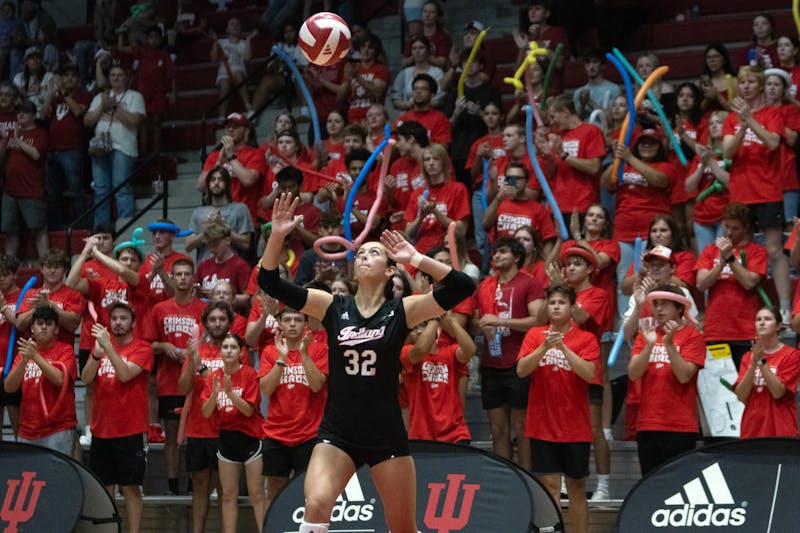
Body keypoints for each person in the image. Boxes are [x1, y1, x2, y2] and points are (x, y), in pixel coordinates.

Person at [257, 192, 475, 533]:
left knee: (403, 527)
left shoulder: (402, 310)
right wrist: (276, 236)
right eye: (360, 253)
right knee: (314, 504)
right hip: (338, 430)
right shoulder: (330, 306)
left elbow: (463, 286)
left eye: (374, 252)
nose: (364, 256)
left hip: (385, 433)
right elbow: (268, 282)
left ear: (390, 270)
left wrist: (415, 257)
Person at [517, 285, 598, 533]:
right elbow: (521, 370)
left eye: (561, 302)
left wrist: (562, 347)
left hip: (575, 426)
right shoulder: (534, 334)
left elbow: (589, 372)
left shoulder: (586, 338)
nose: (555, 306)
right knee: (550, 486)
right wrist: (544, 346)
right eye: (551, 302)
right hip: (542, 424)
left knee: (576, 487)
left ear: (572, 308)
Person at [722, 65, 789, 323]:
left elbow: (773, 142)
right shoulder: (731, 118)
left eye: (751, 82)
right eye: (742, 82)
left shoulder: (773, 113)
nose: (746, 86)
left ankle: (783, 305)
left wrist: (750, 120)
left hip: (768, 190)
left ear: (760, 85)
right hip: (740, 192)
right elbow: (727, 152)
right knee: (742, 250)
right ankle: (748, 307)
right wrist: (741, 124)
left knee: (774, 250)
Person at [81, 300, 152, 533]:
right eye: (114, 319)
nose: (118, 323)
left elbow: (124, 374)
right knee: (105, 487)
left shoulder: (143, 348)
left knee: (131, 488)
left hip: (130, 429)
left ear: (133, 322)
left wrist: (107, 348)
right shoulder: (101, 348)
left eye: (123, 318)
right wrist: (96, 353)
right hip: (102, 428)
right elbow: (86, 378)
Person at [474, 236, 545, 471]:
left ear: (516, 256)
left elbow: (538, 320)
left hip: (519, 362)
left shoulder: (530, 282)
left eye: (503, 252)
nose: (496, 256)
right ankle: (506, 479)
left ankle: (527, 478)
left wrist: (502, 320)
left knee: (521, 427)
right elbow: (475, 320)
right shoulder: (485, 285)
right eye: (494, 252)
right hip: (491, 362)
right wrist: (481, 326)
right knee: (497, 429)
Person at [144, 258, 207, 495]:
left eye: (186, 274)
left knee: (195, 434)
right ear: (171, 276)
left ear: (193, 278)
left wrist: (195, 352)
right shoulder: (160, 309)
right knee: (171, 435)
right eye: (178, 274)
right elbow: (147, 345)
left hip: (197, 382)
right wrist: (164, 346)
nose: (182, 278)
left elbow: (212, 341)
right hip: (168, 382)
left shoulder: (203, 309)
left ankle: (195, 483)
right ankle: (172, 485)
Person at [628, 285, 705, 476]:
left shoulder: (693, 336)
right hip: (648, 423)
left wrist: (669, 344)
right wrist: (650, 345)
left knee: (678, 486)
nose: (658, 309)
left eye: (664, 304)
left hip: (681, 425)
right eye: (656, 304)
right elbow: (633, 373)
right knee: (649, 484)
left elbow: (684, 375)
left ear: (679, 308)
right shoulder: (646, 335)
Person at [259, 308, 328, 508]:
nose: (292, 324)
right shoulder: (270, 352)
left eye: (297, 319)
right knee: (274, 491)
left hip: (309, 434)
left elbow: (316, 385)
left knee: (309, 492)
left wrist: (304, 354)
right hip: (276, 434)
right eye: (287, 319)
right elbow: (266, 389)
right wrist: (282, 358)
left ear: (306, 324)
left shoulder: (319, 349)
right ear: (279, 324)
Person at [201, 332, 265, 533]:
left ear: (241, 353)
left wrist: (230, 394)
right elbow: (206, 411)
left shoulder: (249, 374)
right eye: (225, 347)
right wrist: (214, 394)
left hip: (251, 438)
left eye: (233, 347)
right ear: (220, 352)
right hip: (227, 439)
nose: (228, 351)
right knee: (228, 495)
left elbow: (248, 410)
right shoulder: (213, 376)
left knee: (256, 494)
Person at [696, 202, 768, 370]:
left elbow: (749, 282)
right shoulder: (709, 251)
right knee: (719, 386)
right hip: (716, 331)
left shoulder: (757, 252)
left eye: (735, 228)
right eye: (726, 226)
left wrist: (730, 259)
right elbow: (701, 284)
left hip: (746, 332)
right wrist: (721, 263)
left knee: (745, 385)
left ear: (746, 228)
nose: (728, 232)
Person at [178, 301, 230, 533]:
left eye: (222, 319)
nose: (217, 323)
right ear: (205, 323)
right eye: (213, 319)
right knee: (199, 488)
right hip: (198, 428)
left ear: (229, 323)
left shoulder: (235, 351)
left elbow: (231, 389)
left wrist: (201, 368)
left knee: (225, 490)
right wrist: (192, 363)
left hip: (227, 430)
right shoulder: (196, 351)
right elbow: (183, 388)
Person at [4, 305, 77, 455]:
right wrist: (24, 361)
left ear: (56, 329)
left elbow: (60, 379)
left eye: (49, 324)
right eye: (39, 323)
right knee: (30, 477)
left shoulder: (66, 350)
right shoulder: (24, 353)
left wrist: (35, 356)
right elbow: (9, 388)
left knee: (57, 477)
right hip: (27, 430)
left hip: (58, 428)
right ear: (32, 328)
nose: (43, 327)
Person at [83, 65, 145, 225]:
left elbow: (133, 122)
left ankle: (126, 227)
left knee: (121, 189)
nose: (116, 78)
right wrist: (103, 107)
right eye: (112, 75)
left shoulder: (134, 96)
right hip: (99, 148)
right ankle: (101, 231)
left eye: (119, 75)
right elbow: (87, 121)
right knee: (100, 190)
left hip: (123, 148)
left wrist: (115, 106)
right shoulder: (100, 97)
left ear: (126, 78)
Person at [402, 311, 476, 443]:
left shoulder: (450, 352)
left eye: (422, 326)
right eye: (414, 329)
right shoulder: (406, 352)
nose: (419, 331)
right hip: (422, 435)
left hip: (455, 434)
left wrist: (451, 321)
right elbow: (420, 350)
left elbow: (470, 350)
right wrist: (434, 318)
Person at [736, 306, 800, 438]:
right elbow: (742, 396)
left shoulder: (792, 355)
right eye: (758, 319)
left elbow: (778, 392)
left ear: (778, 326)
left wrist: (761, 362)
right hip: (752, 429)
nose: (762, 322)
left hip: (781, 429)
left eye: (767, 319)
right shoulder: (747, 357)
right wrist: (753, 364)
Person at [40, 63, 91, 229]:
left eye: (72, 75)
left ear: (78, 80)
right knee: (53, 193)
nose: (69, 78)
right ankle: (56, 227)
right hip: (52, 150)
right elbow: (43, 114)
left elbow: (78, 112)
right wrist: (50, 92)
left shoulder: (84, 96)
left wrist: (64, 94)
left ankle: (81, 226)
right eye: (65, 75)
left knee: (76, 190)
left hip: (72, 150)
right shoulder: (55, 99)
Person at [544, 95, 606, 225]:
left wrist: (565, 155)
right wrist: (549, 157)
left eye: (553, 116)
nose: (551, 122)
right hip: (557, 205)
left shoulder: (591, 131)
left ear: (565, 112)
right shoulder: (557, 136)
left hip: (583, 204)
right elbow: (551, 173)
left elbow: (594, 167)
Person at [197, 113, 266, 228]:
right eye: (227, 126)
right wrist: (219, 163)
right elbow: (201, 186)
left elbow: (248, 180)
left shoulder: (256, 154)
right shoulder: (214, 156)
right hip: (217, 216)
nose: (230, 129)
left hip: (246, 218)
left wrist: (231, 156)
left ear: (246, 131)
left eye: (236, 126)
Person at [0, 98, 48, 257]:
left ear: (33, 116)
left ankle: (47, 264)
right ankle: (8, 268)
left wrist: (17, 138)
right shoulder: (13, 135)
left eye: (25, 112)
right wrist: (3, 141)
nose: (20, 115)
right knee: (10, 231)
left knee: (39, 230)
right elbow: (2, 158)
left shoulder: (40, 133)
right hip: (10, 190)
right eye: (19, 112)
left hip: (32, 190)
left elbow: (36, 154)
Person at [118, 25, 175, 154]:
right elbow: (121, 48)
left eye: (156, 37)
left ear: (161, 39)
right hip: (142, 94)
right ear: (147, 39)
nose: (153, 40)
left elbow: (171, 75)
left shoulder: (163, 55)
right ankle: (143, 152)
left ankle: (156, 152)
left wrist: (173, 93)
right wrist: (121, 32)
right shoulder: (141, 51)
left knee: (156, 123)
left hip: (158, 93)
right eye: (151, 37)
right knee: (142, 123)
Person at [404, 143, 470, 254]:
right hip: (421, 252)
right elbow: (408, 234)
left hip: (447, 251)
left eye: (435, 159)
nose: (431, 163)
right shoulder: (418, 193)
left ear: (444, 162)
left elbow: (461, 230)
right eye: (427, 160)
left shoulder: (458, 189)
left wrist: (434, 211)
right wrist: (421, 217)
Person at [16, 248, 84, 346]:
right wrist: (37, 308)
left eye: (57, 267)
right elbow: (20, 325)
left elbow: (73, 325)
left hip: (63, 353)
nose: (52, 271)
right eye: (48, 267)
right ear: (42, 269)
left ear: (64, 270)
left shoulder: (74, 294)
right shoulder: (31, 294)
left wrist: (51, 306)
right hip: (34, 352)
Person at [187, 165, 254, 263]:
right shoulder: (198, 212)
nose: (216, 183)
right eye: (212, 180)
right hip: (205, 269)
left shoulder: (240, 209)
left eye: (220, 179)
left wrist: (223, 228)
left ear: (227, 184)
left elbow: (246, 243)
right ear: (208, 184)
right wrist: (207, 231)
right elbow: (188, 245)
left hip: (232, 268)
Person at [685, 110, 730, 254]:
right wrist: (703, 164)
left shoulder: (734, 153)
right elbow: (689, 187)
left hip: (725, 214)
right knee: (706, 261)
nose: (714, 126)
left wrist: (711, 163)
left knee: (721, 259)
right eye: (711, 123)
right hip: (702, 216)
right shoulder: (702, 154)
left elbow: (732, 183)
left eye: (719, 122)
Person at [195, 223, 250, 307]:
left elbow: (248, 298)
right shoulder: (203, 266)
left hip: (231, 315)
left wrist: (218, 296)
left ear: (228, 240)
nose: (213, 249)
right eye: (210, 245)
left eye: (216, 244)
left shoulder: (240, 265)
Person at [211, 17, 253, 120]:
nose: (235, 26)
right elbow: (213, 58)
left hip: (239, 72)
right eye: (232, 24)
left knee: (237, 75)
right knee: (224, 84)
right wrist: (215, 42)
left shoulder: (243, 43)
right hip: (223, 74)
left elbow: (248, 59)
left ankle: (248, 107)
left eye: (237, 24)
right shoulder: (221, 42)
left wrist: (248, 40)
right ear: (227, 29)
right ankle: (222, 116)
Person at [394, 73, 451, 146]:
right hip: (403, 157)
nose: (418, 92)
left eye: (423, 89)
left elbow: (442, 148)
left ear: (432, 94)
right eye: (415, 89)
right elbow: (391, 145)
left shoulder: (441, 119)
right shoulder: (403, 119)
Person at [344, 33, 389, 125]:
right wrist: (347, 81)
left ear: (375, 51)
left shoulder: (381, 69)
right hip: (352, 119)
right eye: (363, 47)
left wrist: (357, 76)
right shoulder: (354, 68)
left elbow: (377, 92)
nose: (365, 50)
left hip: (373, 119)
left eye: (370, 48)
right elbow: (340, 97)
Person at [391, 36, 445, 111]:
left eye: (421, 48)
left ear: (428, 51)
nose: (417, 51)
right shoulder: (404, 73)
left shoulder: (438, 72)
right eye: (414, 48)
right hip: (408, 115)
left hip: (431, 115)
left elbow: (440, 98)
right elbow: (395, 99)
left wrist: (420, 105)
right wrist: (407, 105)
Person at [0, 255, 20, 437]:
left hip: (14, 366)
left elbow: (21, 324)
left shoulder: (24, 295)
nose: (1, 278)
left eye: (5, 274)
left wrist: (3, 307)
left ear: (14, 275)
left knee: (17, 424)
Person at [572, 49, 621, 121]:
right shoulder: (578, 93)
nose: (591, 67)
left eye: (595, 62)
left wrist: (589, 102)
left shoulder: (613, 89)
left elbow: (611, 119)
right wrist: (582, 105)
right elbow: (575, 122)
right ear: (585, 67)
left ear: (603, 65)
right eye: (588, 63)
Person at [699, 43, 736, 113]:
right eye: (708, 57)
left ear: (724, 60)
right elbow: (695, 113)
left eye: (716, 56)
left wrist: (717, 96)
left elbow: (737, 111)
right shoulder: (699, 83)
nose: (712, 60)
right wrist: (707, 100)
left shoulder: (734, 81)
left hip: (728, 121)